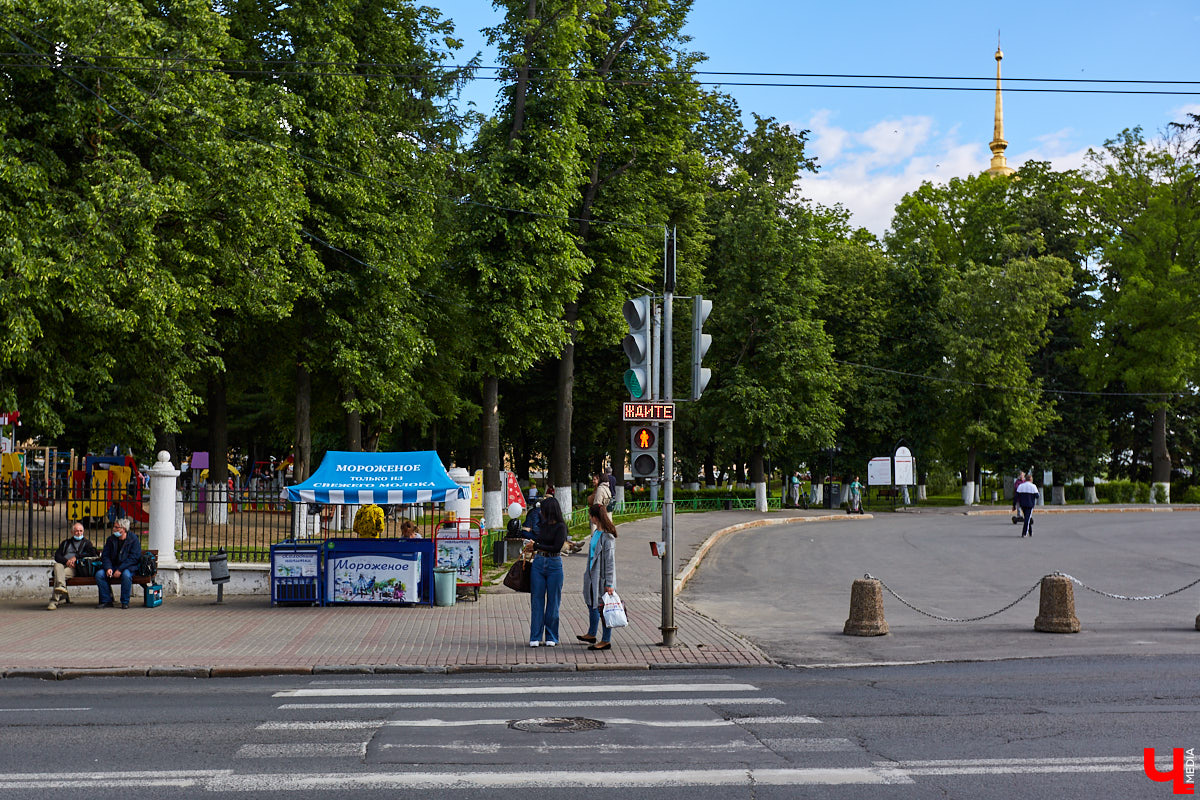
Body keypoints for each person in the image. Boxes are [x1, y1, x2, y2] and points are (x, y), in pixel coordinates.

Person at [524, 495, 566, 647]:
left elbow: (556, 547)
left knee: (553, 602)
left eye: (543, 510)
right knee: (537, 600)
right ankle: (535, 636)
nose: (540, 512)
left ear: (550, 510)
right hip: (539, 563)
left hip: (554, 563)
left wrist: (536, 546)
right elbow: (540, 542)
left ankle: (551, 636)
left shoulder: (561, 527)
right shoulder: (543, 524)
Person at [578, 503, 618, 651]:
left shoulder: (608, 537)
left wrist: (609, 583)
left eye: (590, 515)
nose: (589, 518)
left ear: (595, 517)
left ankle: (606, 640)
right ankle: (592, 633)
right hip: (591, 577)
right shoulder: (596, 533)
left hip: (601, 580)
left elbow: (610, 563)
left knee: (603, 609)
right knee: (591, 603)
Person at [47, 522, 99, 610]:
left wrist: (76, 558)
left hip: (75, 568)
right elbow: (57, 556)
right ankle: (61, 586)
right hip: (63, 565)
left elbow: (92, 553)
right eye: (76, 531)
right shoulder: (65, 543)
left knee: (59, 576)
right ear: (72, 532)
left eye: (81, 531)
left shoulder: (86, 543)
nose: (79, 533)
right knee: (57, 566)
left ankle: (54, 601)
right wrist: (67, 561)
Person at [96, 517, 142, 609]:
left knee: (126, 575)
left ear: (123, 529)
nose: (114, 529)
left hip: (128, 567)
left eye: (116, 527)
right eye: (114, 527)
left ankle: (125, 601)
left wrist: (120, 569)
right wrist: (108, 568)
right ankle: (106, 600)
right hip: (113, 566)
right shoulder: (111, 539)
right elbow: (106, 556)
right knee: (99, 574)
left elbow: (133, 558)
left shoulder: (133, 539)